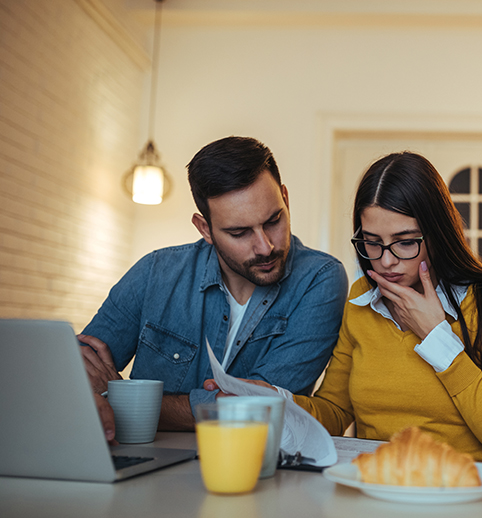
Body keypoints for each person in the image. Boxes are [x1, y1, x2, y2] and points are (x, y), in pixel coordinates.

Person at [208, 151, 482, 470]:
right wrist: (276, 402)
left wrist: (438, 338)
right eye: (371, 241)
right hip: (380, 488)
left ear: (438, 235)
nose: (385, 261)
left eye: (405, 242)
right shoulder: (362, 299)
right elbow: (336, 411)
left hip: (464, 491)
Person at [80, 136, 348, 441]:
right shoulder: (155, 272)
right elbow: (75, 374)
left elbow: (252, 412)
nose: (265, 246)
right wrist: (208, 405)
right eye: (239, 232)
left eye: (274, 220)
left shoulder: (320, 279)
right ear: (204, 228)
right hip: (145, 466)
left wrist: (121, 396)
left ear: (285, 199)